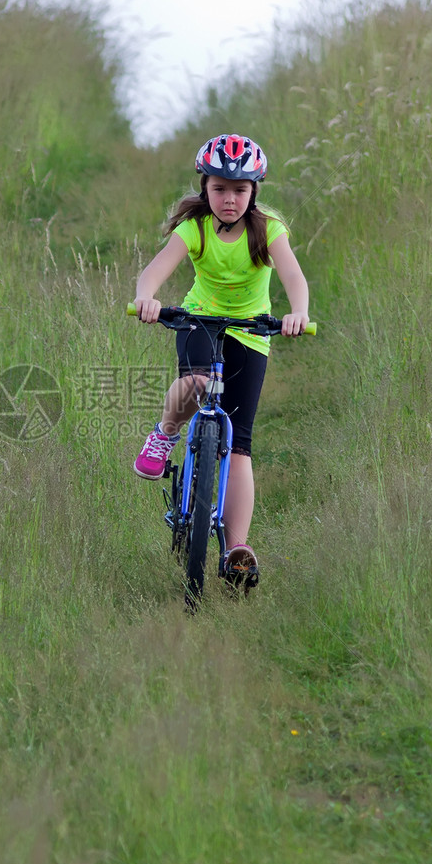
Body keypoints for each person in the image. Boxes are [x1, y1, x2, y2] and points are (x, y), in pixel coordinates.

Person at [132, 133, 310, 580]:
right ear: (204, 188)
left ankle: (237, 550)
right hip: (199, 322)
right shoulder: (193, 229)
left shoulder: (268, 229)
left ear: (254, 192)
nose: (229, 199)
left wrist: (298, 312)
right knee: (195, 386)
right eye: (219, 189)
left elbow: (293, 276)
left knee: (241, 447)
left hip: (251, 333)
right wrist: (148, 299)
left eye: (240, 190)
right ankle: (164, 433)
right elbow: (153, 273)